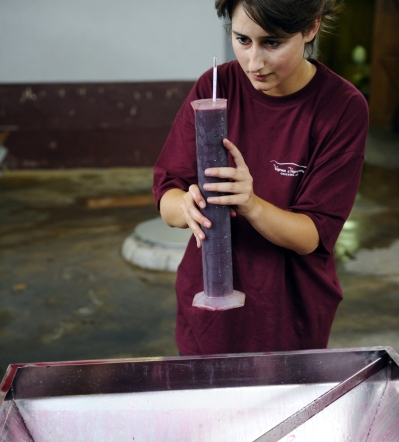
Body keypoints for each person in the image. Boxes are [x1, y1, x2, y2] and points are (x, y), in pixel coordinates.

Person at [152, 0, 368, 356]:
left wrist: (251, 204)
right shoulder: (215, 88)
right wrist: (186, 207)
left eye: (273, 43)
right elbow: (168, 194)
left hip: (287, 312)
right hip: (209, 300)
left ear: (311, 28)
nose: (254, 63)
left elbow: (312, 235)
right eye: (242, 40)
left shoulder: (341, 107)